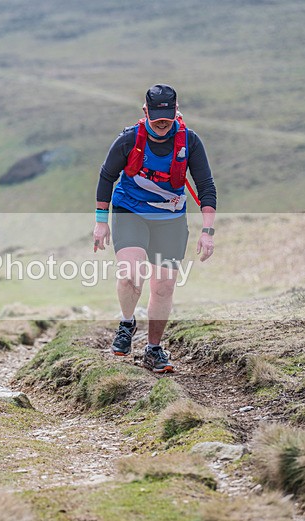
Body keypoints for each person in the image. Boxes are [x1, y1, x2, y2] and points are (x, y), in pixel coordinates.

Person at [93, 84, 216, 373]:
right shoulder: (128, 139)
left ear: (176, 111)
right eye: (157, 117)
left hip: (170, 219)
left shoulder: (190, 141)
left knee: (163, 287)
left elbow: (206, 186)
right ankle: (127, 324)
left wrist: (207, 232)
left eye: (168, 117)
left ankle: (153, 349)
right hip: (130, 211)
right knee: (130, 275)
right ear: (145, 111)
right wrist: (100, 222)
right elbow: (107, 176)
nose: (162, 122)